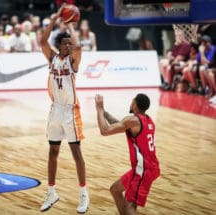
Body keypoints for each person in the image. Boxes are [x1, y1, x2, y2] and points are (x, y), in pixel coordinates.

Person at [40, 4, 89, 213]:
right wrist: (55, 19)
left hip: (70, 111)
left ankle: (83, 194)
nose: (70, 46)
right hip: (55, 110)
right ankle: (51, 192)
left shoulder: (72, 63)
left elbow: (79, 48)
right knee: (53, 151)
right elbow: (43, 41)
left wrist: (69, 25)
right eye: (66, 44)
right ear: (60, 46)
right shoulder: (52, 59)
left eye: (71, 44)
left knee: (76, 152)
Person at [95, 93, 160, 215]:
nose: (131, 103)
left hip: (143, 170)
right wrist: (104, 112)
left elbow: (104, 130)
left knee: (130, 205)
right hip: (146, 168)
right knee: (115, 190)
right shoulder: (147, 119)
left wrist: (98, 109)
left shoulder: (133, 120)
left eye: (132, 101)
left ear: (135, 104)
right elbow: (120, 125)